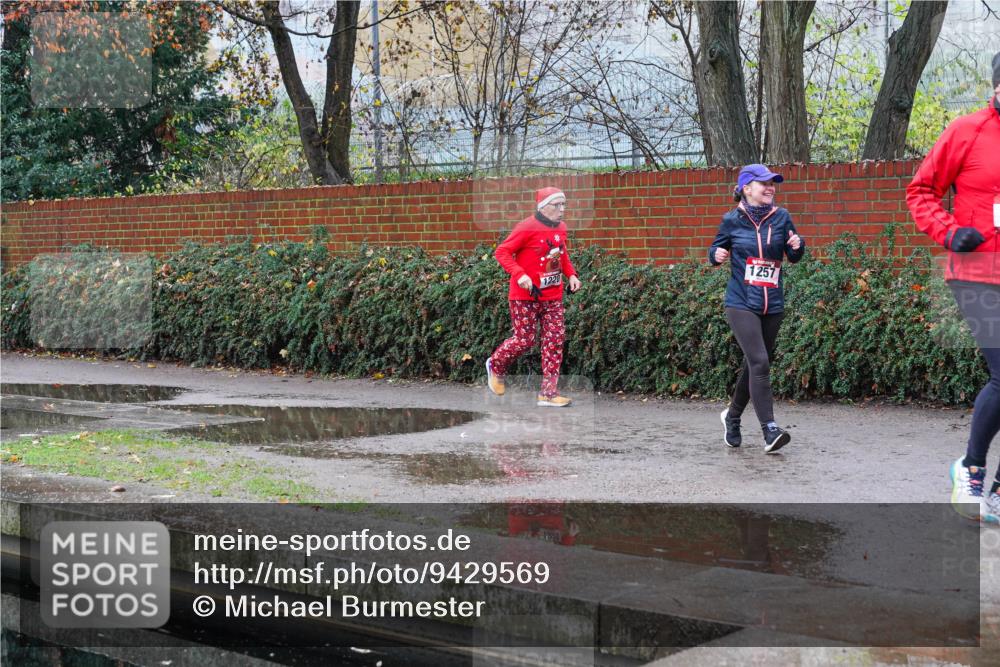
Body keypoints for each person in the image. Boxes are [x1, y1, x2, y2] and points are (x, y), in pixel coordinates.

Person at [907, 52, 1000, 523]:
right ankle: (971, 469)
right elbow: (919, 191)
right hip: (978, 272)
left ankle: (998, 490)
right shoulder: (968, 130)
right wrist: (947, 232)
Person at [708, 165, 805, 453]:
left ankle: (732, 416)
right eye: (764, 184)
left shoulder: (782, 217)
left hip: (772, 303)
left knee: (756, 364)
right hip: (741, 302)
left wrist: (798, 245)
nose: (771, 188)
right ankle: (770, 430)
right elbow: (714, 251)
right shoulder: (732, 220)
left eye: (773, 184)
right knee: (760, 362)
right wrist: (716, 254)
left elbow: (794, 255)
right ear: (747, 188)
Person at [486, 187, 582, 407]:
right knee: (525, 340)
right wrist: (519, 275)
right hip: (524, 296)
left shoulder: (561, 228)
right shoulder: (526, 227)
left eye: (563, 205)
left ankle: (548, 393)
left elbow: (561, 253)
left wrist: (572, 275)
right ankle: (496, 365)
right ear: (543, 206)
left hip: (552, 296)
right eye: (556, 205)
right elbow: (501, 252)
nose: (562, 210)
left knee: (554, 340)